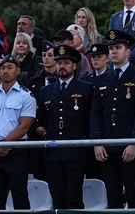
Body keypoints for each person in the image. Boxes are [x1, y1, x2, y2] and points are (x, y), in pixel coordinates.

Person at [89, 29, 135, 209]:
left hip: (129, 142)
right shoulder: (102, 79)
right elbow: (96, 113)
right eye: (111, 48)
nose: (113, 52)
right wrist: (97, 142)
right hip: (107, 141)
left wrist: (134, 142)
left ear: (128, 51)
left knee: (132, 192)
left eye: (118, 47)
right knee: (112, 194)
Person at [36, 45, 94, 209]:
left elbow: (91, 117)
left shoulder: (85, 88)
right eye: (59, 63)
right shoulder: (46, 91)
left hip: (76, 151)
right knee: (57, 198)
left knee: (74, 197)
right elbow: (41, 119)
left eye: (66, 63)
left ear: (74, 65)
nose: (62, 66)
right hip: (53, 152)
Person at [0, 55, 36, 210]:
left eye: (9, 67)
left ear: (18, 70)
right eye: (2, 68)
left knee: (20, 197)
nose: (5, 71)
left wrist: (4, 145)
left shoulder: (26, 96)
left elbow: (24, 126)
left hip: (16, 151)